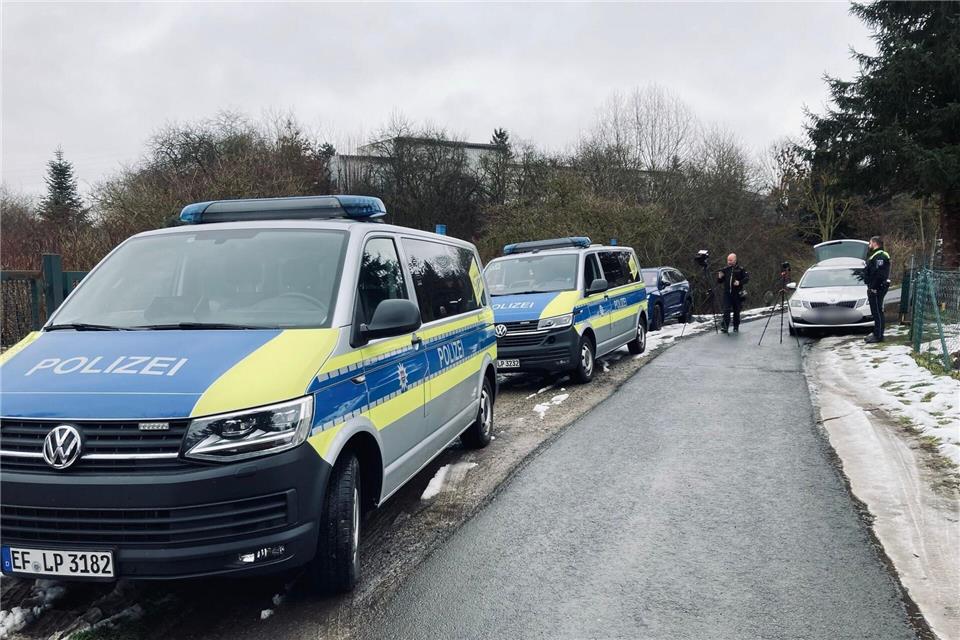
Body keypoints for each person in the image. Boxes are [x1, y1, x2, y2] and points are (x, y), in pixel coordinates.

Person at [864, 235, 891, 343]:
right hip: (875, 287)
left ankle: (878, 336)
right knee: (876, 312)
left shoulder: (880, 256)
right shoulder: (875, 255)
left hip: (877, 288)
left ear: (875, 243)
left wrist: (873, 287)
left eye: (870, 243)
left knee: (877, 312)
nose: (869, 245)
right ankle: (877, 333)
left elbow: (879, 274)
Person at [717, 253, 749, 333]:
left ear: (735, 260)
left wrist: (739, 282)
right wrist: (720, 277)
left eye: (731, 260)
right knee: (726, 310)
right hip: (727, 293)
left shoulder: (741, 269)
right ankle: (725, 326)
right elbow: (720, 281)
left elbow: (747, 278)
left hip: (737, 293)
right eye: (728, 260)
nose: (729, 262)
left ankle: (736, 326)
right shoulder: (725, 269)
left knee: (736, 311)